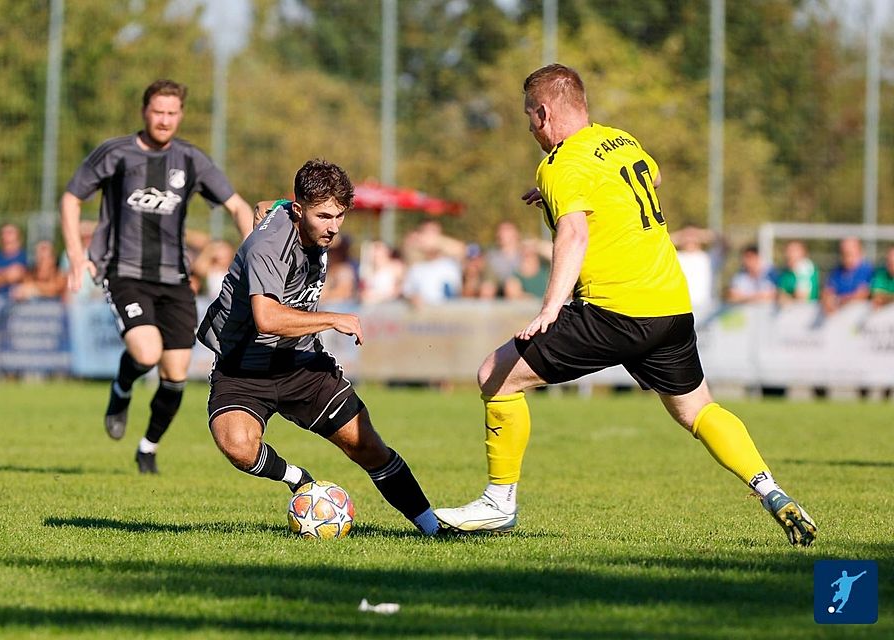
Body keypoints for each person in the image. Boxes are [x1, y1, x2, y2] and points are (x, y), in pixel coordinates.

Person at [434, 64, 816, 548]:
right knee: (698, 409)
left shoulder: (559, 163)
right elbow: (648, 181)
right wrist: (564, 196)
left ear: (545, 113)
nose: (531, 127)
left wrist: (551, 306)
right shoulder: (621, 141)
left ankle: (499, 502)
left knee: (496, 374)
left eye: (530, 117)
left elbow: (574, 231)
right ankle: (772, 491)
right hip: (671, 307)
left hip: (614, 309)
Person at [196, 159, 439, 535]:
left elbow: (270, 206)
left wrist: (272, 205)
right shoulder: (268, 246)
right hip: (243, 365)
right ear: (299, 210)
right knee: (238, 447)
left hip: (300, 363)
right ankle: (299, 479)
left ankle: (433, 528)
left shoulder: (296, 216)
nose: (333, 227)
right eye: (324, 216)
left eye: (340, 216)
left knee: (367, 447)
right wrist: (332, 318)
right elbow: (267, 318)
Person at [60, 79, 255, 474]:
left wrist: (255, 249)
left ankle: (147, 447)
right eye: (157, 111)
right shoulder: (116, 153)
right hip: (124, 272)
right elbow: (71, 197)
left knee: (176, 374)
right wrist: (77, 254)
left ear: (180, 115)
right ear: (144, 112)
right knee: (146, 353)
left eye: (172, 113)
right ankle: (122, 387)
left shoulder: (190, 159)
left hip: (175, 279)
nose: (164, 120)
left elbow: (235, 204)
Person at [821, 237, 873, 314]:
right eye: (842, 252)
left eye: (849, 252)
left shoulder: (867, 270)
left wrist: (840, 301)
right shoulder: (836, 271)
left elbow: (863, 293)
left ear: (859, 251)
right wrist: (827, 301)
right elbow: (827, 291)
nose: (846, 255)